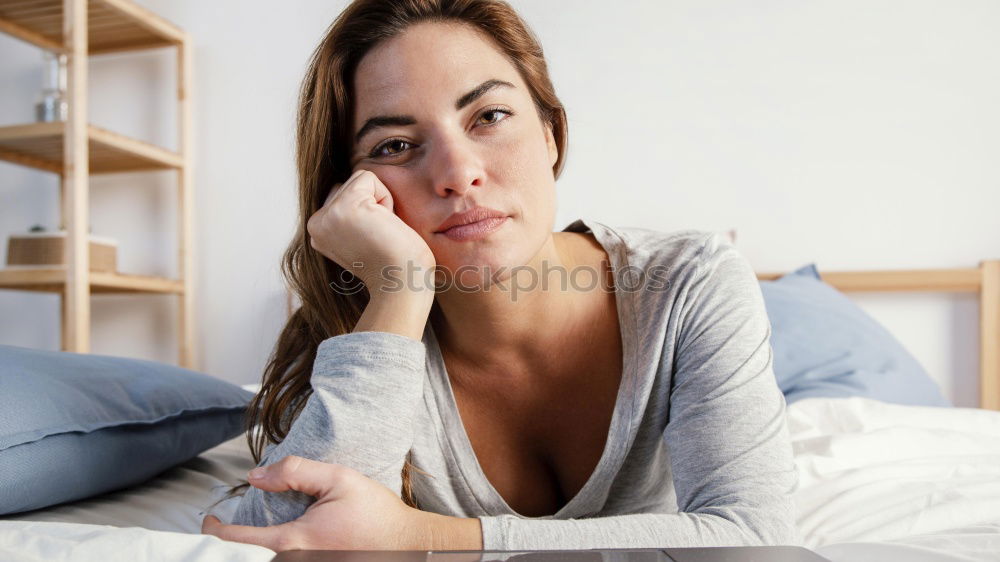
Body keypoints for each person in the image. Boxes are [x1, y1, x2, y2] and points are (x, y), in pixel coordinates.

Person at [201, 0, 798, 552]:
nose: (457, 173)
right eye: (396, 145)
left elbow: (752, 537)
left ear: (551, 135)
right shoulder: (362, 330)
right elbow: (278, 537)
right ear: (350, 194)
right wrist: (399, 290)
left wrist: (418, 535)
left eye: (488, 115)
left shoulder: (689, 285)